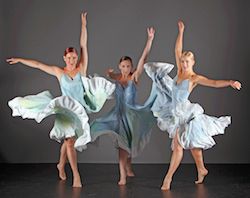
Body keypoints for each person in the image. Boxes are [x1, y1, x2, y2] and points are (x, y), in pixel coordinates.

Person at [7, 12, 115, 187]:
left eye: (74, 57)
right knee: (70, 141)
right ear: (64, 58)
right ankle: (76, 176)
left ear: (76, 58)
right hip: (65, 112)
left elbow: (83, 45)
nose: (72, 60)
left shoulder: (81, 69)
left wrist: (83, 26)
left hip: (79, 111)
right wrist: (20, 59)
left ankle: (60, 164)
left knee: (68, 139)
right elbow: (39, 65)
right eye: (69, 58)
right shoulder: (59, 72)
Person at [144, 21, 241, 190]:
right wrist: (181, 31)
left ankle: (168, 179)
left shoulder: (194, 77)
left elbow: (215, 82)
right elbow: (177, 50)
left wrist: (231, 82)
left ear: (193, 62)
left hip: (187, 114)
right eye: (182, 61)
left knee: (178, 146)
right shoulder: (180, 73)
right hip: (177, 113)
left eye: (187, 62)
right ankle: (202, 169)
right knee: (193, 144)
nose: (184, 64)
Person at [90, 27, 156, 185]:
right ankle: (122, 175)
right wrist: (109, 74)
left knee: (130, 142)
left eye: (128, 66)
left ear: (132, 66)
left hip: (132, 115)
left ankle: (128, 168)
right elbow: (113, 75)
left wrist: (150, 40)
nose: (126, 69)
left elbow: (143, 59)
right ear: (119, 66)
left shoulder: (135, 77)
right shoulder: (118, 77)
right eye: (123, 66)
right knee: (122, 144)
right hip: (118, 116)